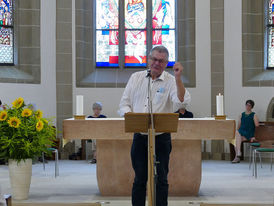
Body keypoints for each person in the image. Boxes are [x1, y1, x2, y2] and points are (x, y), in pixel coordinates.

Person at [118, 46, 191, 206]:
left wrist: (178, 78)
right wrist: (130, 117)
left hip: (161, 138)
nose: (157, 63)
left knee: (162, 179)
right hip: (140, 137)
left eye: (161, 61)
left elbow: (181, 102)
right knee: (139, 179)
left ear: (166, 64)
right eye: (154, 59)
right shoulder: (136, 78)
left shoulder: (171, 81)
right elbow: (124, 104)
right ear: (148, 59)